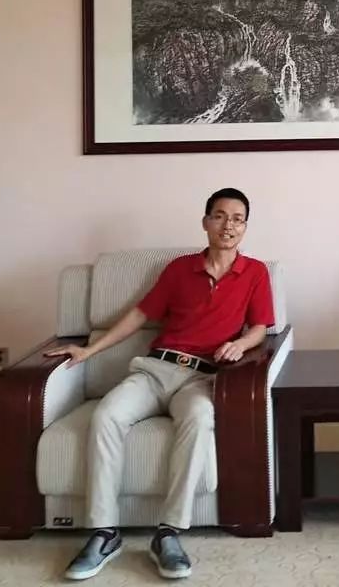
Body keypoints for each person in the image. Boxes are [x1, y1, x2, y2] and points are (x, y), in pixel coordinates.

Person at [46, 187, 274, 581]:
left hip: (203, 377)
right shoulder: (179, 269)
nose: (229, 225)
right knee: (106, 415)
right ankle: (104, 533)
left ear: (245, 227)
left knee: (199, 419)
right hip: (156, 370)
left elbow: (260, 328)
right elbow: (140, 315)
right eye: (220, 216)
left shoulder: (255, 272)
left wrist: (239, 344)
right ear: (206, 222)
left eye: (238, 219)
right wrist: (90, 349)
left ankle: (168, 533)